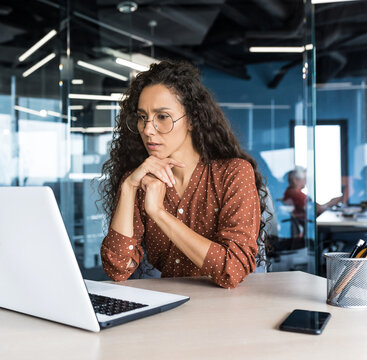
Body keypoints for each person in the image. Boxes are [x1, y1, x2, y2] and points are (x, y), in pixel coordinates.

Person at [98, 60, 268, 289]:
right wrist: (128, 187)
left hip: (228, 312)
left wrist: (158, 213)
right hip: (169, 306)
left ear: (191, 120)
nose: (147, 129)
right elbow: (117, 269)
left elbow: (233, 269)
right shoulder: (139, 180)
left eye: (162, 116)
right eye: (142, 117)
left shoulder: (233, 173)